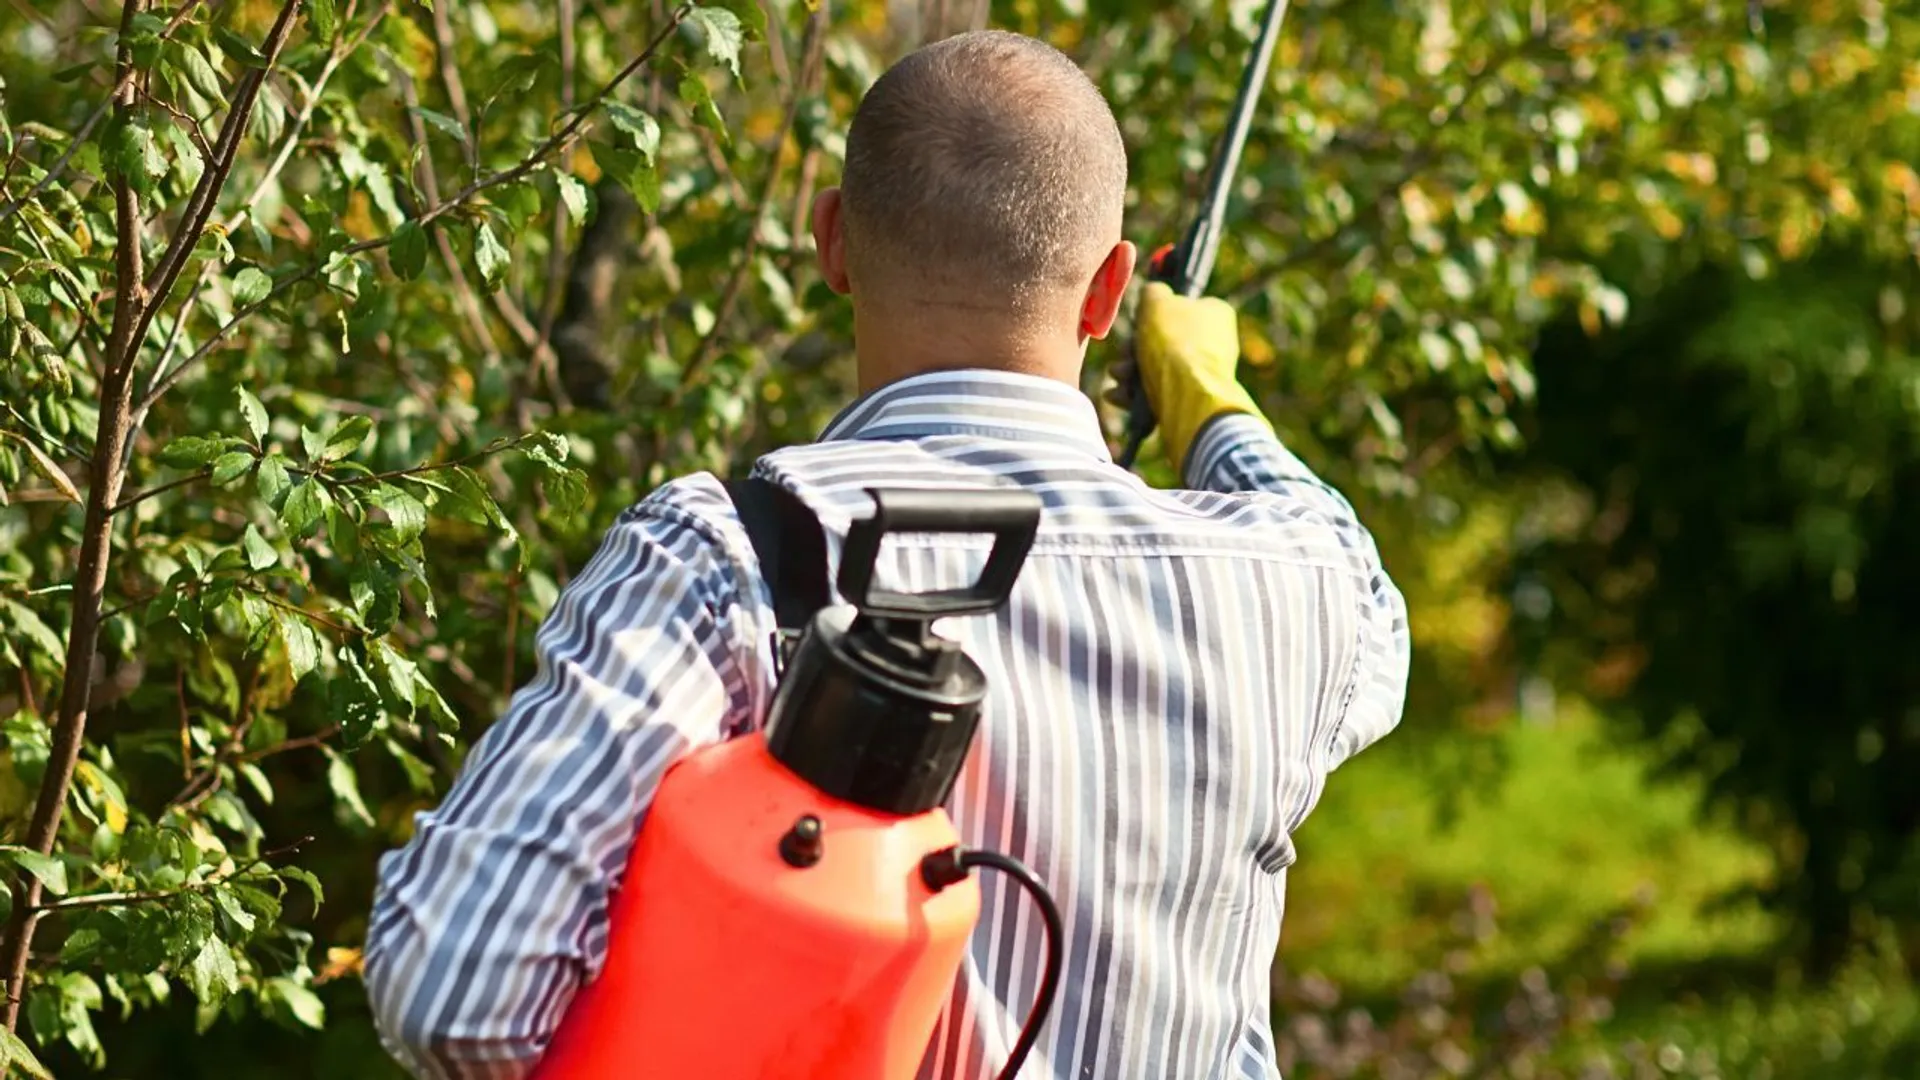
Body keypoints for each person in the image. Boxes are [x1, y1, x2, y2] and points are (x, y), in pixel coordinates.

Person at [363, 27, 1409, 1080]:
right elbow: (1369, 601)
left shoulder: (730, 557)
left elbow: (456, 991)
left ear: (832, 243)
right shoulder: (1294, 585)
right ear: (1108, 294)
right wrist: (1210, 402)